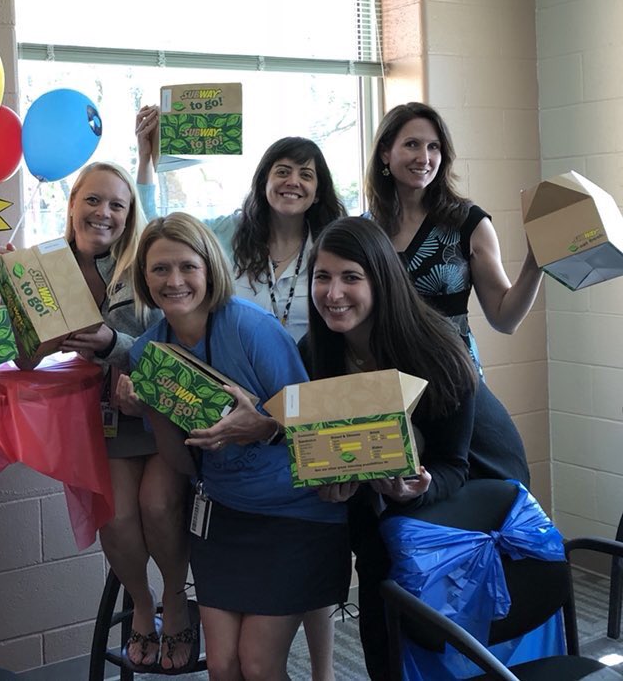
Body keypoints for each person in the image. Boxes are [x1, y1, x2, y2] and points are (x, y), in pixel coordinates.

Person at [136, 108, 348, 672]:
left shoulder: (259, 319)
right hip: (225, 506)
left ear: (209, 270)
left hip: (298, 472)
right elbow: (164, 227)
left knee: (257, 663)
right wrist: (156, 404)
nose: (174, 280)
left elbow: (311, 422)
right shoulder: (152, 349)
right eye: (160, 272)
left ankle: (326, 669)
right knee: (226, 666)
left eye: (307, 174)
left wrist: (267, 425)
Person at [302, 216, 531, 680]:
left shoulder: (435, 349)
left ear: (381, 280)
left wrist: (419, 489)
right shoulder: (316, 351)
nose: (333, 293)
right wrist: (334, 486)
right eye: (322, 277)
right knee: (382, 620)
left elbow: (453, 464)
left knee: (447, 646)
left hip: (474, 496)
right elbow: (339, 451)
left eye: (351, 277)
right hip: (391, 502)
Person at [0, 162, 190, 671]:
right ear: (72, 203)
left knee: (158, 506)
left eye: (117, 205)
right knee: (117, 518)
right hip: (107, 421)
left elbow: (176, 334)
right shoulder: (43, 266)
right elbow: (26, 357)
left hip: (161, 412)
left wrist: (112, 344)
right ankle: (143, 603)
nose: (103, 213)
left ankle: (177, 601)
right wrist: (11, 292)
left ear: (129, 214)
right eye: (93, 200)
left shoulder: (146, 264)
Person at [135, 104, 347, 344]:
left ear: (318, 192)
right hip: (237, 374)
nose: (293, 182)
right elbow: (157, 232)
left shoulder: (331, 247)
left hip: (313, 375)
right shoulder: (229, 231)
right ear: (263, 182)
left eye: (306, 175)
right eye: (283, 172)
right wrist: (145, 159)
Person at [365, 101, 543, 374]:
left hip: (453, 378)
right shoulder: (365, 229)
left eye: (433, 146)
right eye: (412, 144)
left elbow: (505, 320)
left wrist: (535, 261)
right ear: (385, 153)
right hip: (384, 380)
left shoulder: (469, 223)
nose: (424, 157)